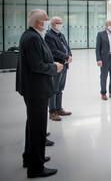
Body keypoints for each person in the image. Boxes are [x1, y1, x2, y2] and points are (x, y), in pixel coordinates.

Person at [16, 9, 63, 178]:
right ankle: (36, 167)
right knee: (37, 127)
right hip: (36, 88)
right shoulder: (32, 38)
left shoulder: (32, 35)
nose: (48, 21)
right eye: (45, 19)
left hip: (33, 87)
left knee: (33, 125)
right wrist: (55, 67)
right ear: (37, 22)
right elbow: (37, 66)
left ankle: (30, 157)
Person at [45, 17, 72, 121]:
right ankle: (52, 112)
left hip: (64, 65)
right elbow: (53, 51)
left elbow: (67, 48)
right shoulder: (49, 36)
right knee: (54, 89)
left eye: (61, 23)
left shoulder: (61, 35)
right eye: (58, 23)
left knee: (60, 88)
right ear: (52, 24)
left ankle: (59, 108)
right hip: (57, 65)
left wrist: (69, 56)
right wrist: (65, 57)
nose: (60, 25)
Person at [95, 20, 111, 100]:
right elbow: (97, 48)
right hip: (105, 58)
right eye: (110, 25)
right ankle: (103, 93)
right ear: (106, 25)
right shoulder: (101, 34)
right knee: (104, 75)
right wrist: (98, 59)